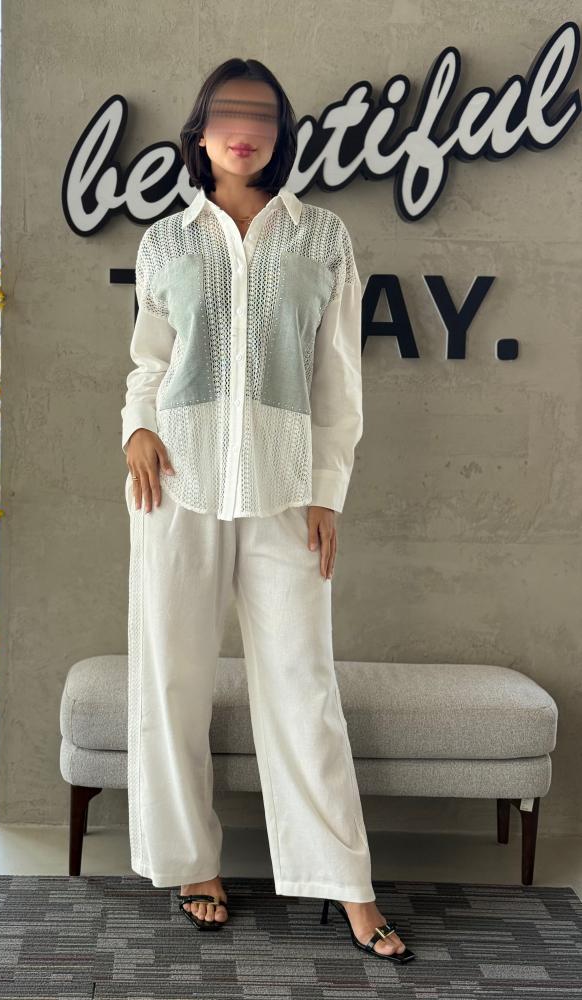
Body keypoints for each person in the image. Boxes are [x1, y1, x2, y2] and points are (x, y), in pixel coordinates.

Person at [120, 57, 414, 964]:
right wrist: (135, 427)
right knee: (170, 677)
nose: (242, 130)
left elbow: (338, 378)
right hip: (176, 483)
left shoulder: (323, 237)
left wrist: (329, 490)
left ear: (281, 131)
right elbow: (149, 361)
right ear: (200, 131)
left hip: (287, 487)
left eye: (261, 115)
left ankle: (347, 885)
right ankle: (191, 864)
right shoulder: (166, 241)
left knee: (302, 685)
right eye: (226, 113)